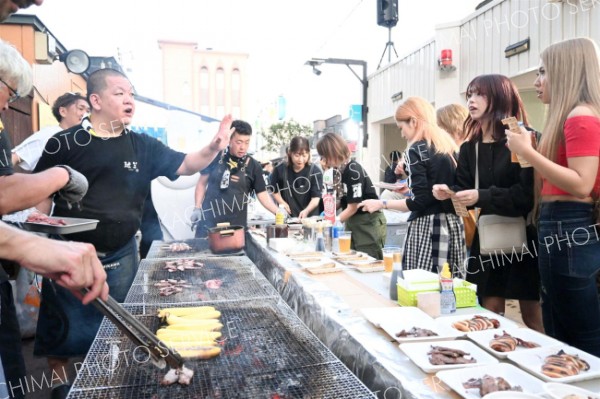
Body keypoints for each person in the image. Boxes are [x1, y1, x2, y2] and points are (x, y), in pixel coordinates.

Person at [32, 68, 233, 395]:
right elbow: (40, 194)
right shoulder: (65, 143)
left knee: (120, 332)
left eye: (131, 94)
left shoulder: (143, 145)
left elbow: (187, 164)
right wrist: (36, 241)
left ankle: (110, 388)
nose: (129, 100)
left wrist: (214, 146)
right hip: (68, 256)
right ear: (95, 100)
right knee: (63, 337)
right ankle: (62, 391)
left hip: (122, 256)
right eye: (119, 93)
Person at [0, 37, 106, 399]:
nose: (8, 105)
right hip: (31, 233)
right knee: (53, 322)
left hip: (46, 237)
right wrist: (53, 185)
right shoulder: (49, 137)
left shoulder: (86, 141)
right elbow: (11, 175)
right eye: (11, 94)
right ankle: (59, 385)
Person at [506, 38, 600, 354]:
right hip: (560, 223)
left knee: (577, 330)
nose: (537, 82)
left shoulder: (580, 116)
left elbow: (581, 183)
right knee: (561, 323)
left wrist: (529, 153)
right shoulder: (573, 116)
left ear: (565, 72)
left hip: (569, 224)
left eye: (544, 72)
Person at [433, 74, 542, 332]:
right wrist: (449, 194)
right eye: (469, 94)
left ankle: (549, 362)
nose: (471, 100)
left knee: (532, 314)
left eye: (479, 94)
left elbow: (525, 196)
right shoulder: (471, 147)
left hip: (525, 235)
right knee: (488, 312)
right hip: (488, 236)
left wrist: (481, 195)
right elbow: (464, 193)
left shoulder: (521, 136)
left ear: (500, 96)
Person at [360, 97, 465, 275]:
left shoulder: (416, 150)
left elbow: (419, 202)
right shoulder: (448, 147)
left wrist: (381, 204)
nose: (402, 134)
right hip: (453, 224)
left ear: (414, 122)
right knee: (449, 286)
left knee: (422, 286)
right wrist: (410, 188)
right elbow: (436, 188)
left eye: (401, 128)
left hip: (428, 227)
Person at [191, 120, 279, 237]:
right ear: (230, 140)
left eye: (247, 142)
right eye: (239, 142)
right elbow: (202, 184)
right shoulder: (214, 157)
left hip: (236, 229)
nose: (243, 147)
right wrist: (197, 208)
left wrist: (279, 213)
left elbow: (262, 194)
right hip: (209, 225)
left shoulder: (253, 165)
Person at [316, 132, 386, 259]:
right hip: (352, 220)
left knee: (368, 260)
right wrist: (328, 213)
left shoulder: (353, 170)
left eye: (325, 156)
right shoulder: (338, 171)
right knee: (352, 259)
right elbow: (343, 200)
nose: (324, 160)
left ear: (333, 152)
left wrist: (332, 223)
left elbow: (353, 207)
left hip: (367, 221)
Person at [11, 92, 89, 170]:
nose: (85, 114)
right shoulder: (50, 134)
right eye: (81, 109)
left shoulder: (84, 140)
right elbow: (14, 157)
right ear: (63, 112)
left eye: (88, 111)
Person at [269, 136, 323, 218]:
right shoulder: (280, 170)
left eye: (304, 155)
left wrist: (307, 210)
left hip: (310, 219)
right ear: (290, 153)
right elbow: (274, 190)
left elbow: (316, 198)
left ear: (309, 153)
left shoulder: (315, 171)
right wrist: (282, 202)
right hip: (289, 218)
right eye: (297, 155)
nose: (300, 159)